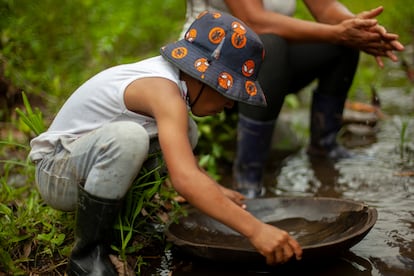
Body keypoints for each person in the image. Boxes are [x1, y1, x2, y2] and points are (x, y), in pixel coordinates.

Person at [28, 11, 302, 275]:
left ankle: (123, 217)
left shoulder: (171, 83)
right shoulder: (163, 92)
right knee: (130, 139)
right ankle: (87, 254)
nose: (230, 102)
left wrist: (215, 189)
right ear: (204, 76)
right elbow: (184, 178)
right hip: (57, 172)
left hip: (82, 163)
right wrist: (256, 230)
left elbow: (187, 165)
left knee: (187, 132)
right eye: (227, 90)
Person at [182, 0, 405, 198]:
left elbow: (326, 8)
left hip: (265, 62)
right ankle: (248, 177)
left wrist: (359, 28)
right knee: (270, 45)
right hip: (210, 66)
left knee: (344, 44)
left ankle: (324, 148)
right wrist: (339, 32)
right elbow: (254, 20)